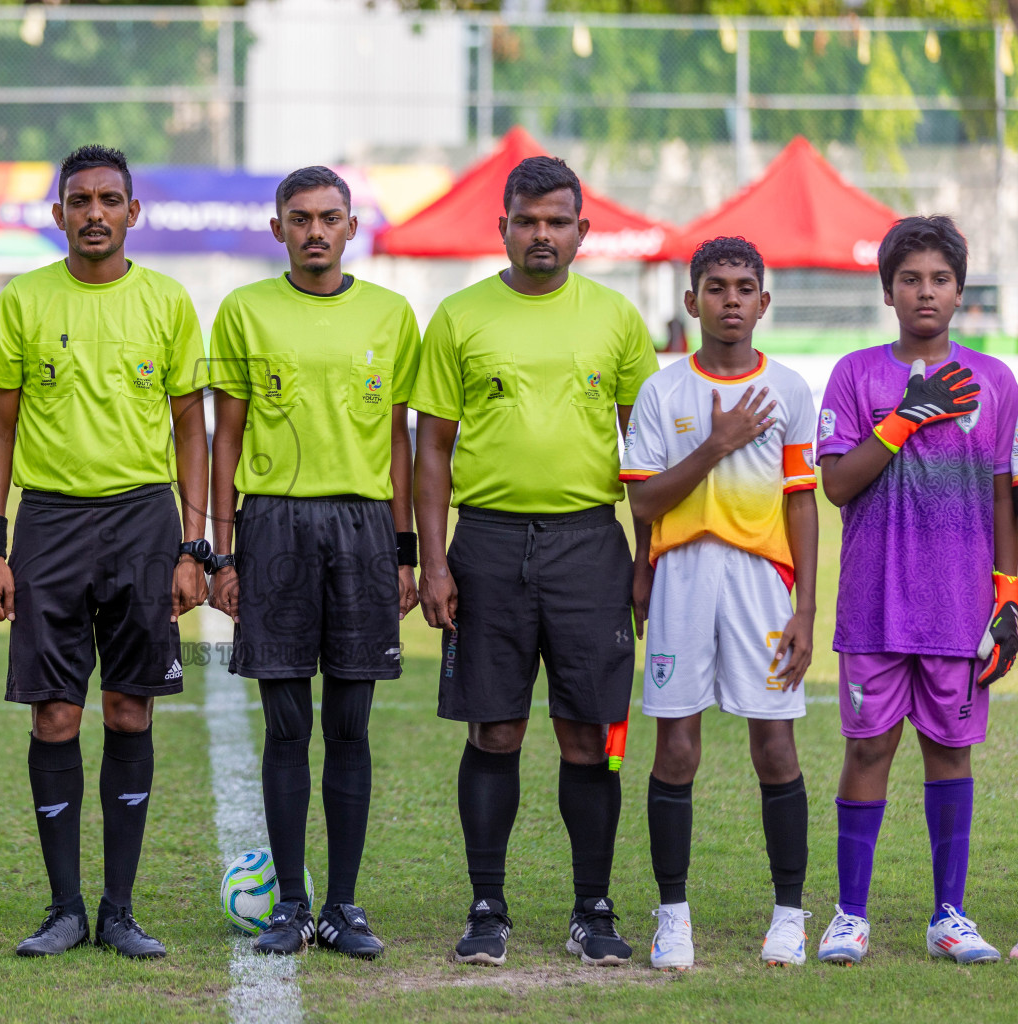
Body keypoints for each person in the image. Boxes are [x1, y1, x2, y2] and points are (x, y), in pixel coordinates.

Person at [411, 155, 658, 968]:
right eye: (528, 220)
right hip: (485, 543)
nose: (542, 234)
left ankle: (593, 905)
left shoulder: (617, 319)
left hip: (589, 543)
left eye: (558, 221)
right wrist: (436, 561)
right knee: (497, 730)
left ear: (583, 231)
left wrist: (647, 557)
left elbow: (645, 453)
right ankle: (487, 905)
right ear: (504, 227)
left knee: (591, 736)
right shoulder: (458, 316)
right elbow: (432, 450)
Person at [0, 145, 209, 959]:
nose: (95, 213)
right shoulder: (24, 301)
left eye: (111, 198)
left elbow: (190, 426)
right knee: (56, 713)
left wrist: (192, 543)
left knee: (128, 707)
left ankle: (119, 909)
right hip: (50, 524)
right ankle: (64, 908)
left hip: (144, 520)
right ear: (59, 214)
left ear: (133, 213)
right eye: (80, 200)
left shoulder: (168, 302)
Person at [208, 166, 421, 958]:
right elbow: (226, 435)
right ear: (278, 230)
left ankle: (342, 905)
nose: (315, 231)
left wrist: (405, 553)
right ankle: (291, 906)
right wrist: (224, 551)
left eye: (330, 217)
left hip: (363, 528)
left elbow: (400, 439)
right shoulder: (244, 311)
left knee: (351, 723)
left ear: (352, 227)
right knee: (287, 721)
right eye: (300, 218)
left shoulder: (393, 315)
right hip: (275, 526)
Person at [814, 216, 1018, 966]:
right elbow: (835, 484)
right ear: (888, 290)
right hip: (874, 604)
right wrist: (904, 417)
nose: (924, 291)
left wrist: (1009, 593)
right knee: (867, 750)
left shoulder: (996, 382)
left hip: (960, 610)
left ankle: (950, 917)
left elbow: (1004, 495)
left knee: (951, 754)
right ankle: (849, 915)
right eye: (910, 279)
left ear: (960, 291)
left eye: (938, 278)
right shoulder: (856, 374)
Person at [620, 237, 818, 969]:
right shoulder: (663, 392)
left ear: (764, 302)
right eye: (716, 287)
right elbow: (644, 501)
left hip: (762, 586)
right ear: (691, 301)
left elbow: (802, 506)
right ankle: (673, 916)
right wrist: (714, 443)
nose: (730, 300)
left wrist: (806, 609)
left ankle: (790, 915)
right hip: (681, 581)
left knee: (775, 745)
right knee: (676, 749)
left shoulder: (791, 389)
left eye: (743, 287)